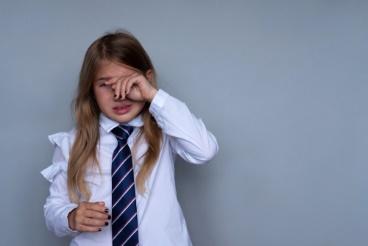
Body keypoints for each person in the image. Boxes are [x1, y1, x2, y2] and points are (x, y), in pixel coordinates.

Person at [41, 30, 219, 246]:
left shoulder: (166, 131)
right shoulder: (72, 143)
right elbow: (54, 208)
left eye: (129, 82)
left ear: (147, 79)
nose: (119, 94)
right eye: (105, 84)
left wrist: (153, 95)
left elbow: (204, 150)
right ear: (91, 90)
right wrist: (70, 217)